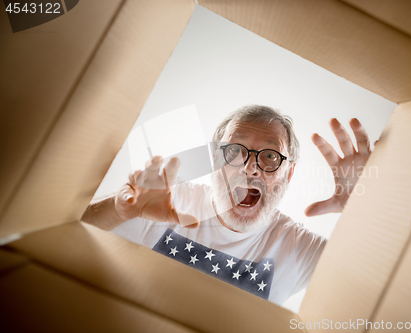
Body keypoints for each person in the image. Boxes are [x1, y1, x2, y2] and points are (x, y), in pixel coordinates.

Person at [82, 105, 372, 305]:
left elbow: (383, 287)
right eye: (235, 150)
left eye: (270, 156)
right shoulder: (166, 201)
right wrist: (118, 210)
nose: (250, 168)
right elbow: (60, 230)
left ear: (290, 173)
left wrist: (369, 208)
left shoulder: (297, 248)